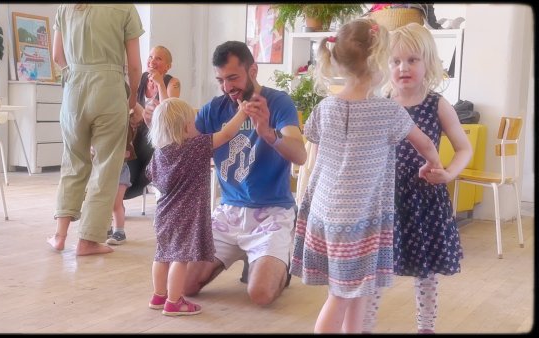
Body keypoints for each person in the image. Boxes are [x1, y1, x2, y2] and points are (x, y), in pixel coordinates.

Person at [289, 19, 443, 333]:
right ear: (378, 63)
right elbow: (425, 143)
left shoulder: (324, 108)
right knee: (341, 296)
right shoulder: (388, 112)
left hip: (325, 216)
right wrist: (433, 165)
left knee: (357, 289)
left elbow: (313, 158)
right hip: (359, 222)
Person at [173, 40, 307, 307]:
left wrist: (270, 135)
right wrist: (159, 116)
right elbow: (185, 142)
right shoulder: (215, 108)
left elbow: (300, 155)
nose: (227, 87)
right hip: (229, 211)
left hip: (272, 213)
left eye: (233, 77)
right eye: (221, 80)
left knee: (260, 295)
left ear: (253, 70)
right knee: (184, 285)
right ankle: (248, 255)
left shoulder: (279, 103)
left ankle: (279, 265)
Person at [362, 23, 472, 334]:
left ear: (428, 63)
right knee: (377, 268)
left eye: (412, 60)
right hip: (384, 198)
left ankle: (426, 327)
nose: (403, 68)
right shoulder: (379, 103)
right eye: (395, 61)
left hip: (424, 197)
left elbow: (464, 148)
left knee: (427, 272)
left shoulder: (438, 104)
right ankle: (364, 326)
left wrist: (448, 173)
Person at [47, 4, 143, 256]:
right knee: (106, 167)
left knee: (73, 162)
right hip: (109, 90)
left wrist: (77, 73)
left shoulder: (66, 7)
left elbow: (57, 56)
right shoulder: (124, 8)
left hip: (74, 90)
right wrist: (132, 98)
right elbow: (134, 65)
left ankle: (59, 235)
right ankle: (88, 240)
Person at [145, 97, 248, 316]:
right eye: (193, 123)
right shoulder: (195, 147)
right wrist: (242, 113)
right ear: (184, 128)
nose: (197, 128)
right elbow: (227, 134)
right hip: (187, 216)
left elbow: (151, 177)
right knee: (180, 259)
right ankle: (174, 302)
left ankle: (158, 295)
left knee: (162, 255)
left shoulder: (158, 154)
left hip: (163, 214)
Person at [125, 46, 181, 200]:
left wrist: (160, 84)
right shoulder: (142, 78)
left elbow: (168, 111)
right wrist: (139, 114)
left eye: (158, 58)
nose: (152, 61)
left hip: (158, 137)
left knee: (140, 171)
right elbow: (130, 102)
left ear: (167, 66)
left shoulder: (173, 83)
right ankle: (116, 198)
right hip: (136, 135)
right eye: (150, 57)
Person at [106, 104, 144, 245]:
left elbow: (136, 111)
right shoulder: (108, 125)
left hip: (120, 170)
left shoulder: (126, 128)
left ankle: (119, 231)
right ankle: (107, 228)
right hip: (107, 170)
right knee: (107, 202)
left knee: (116, 204)